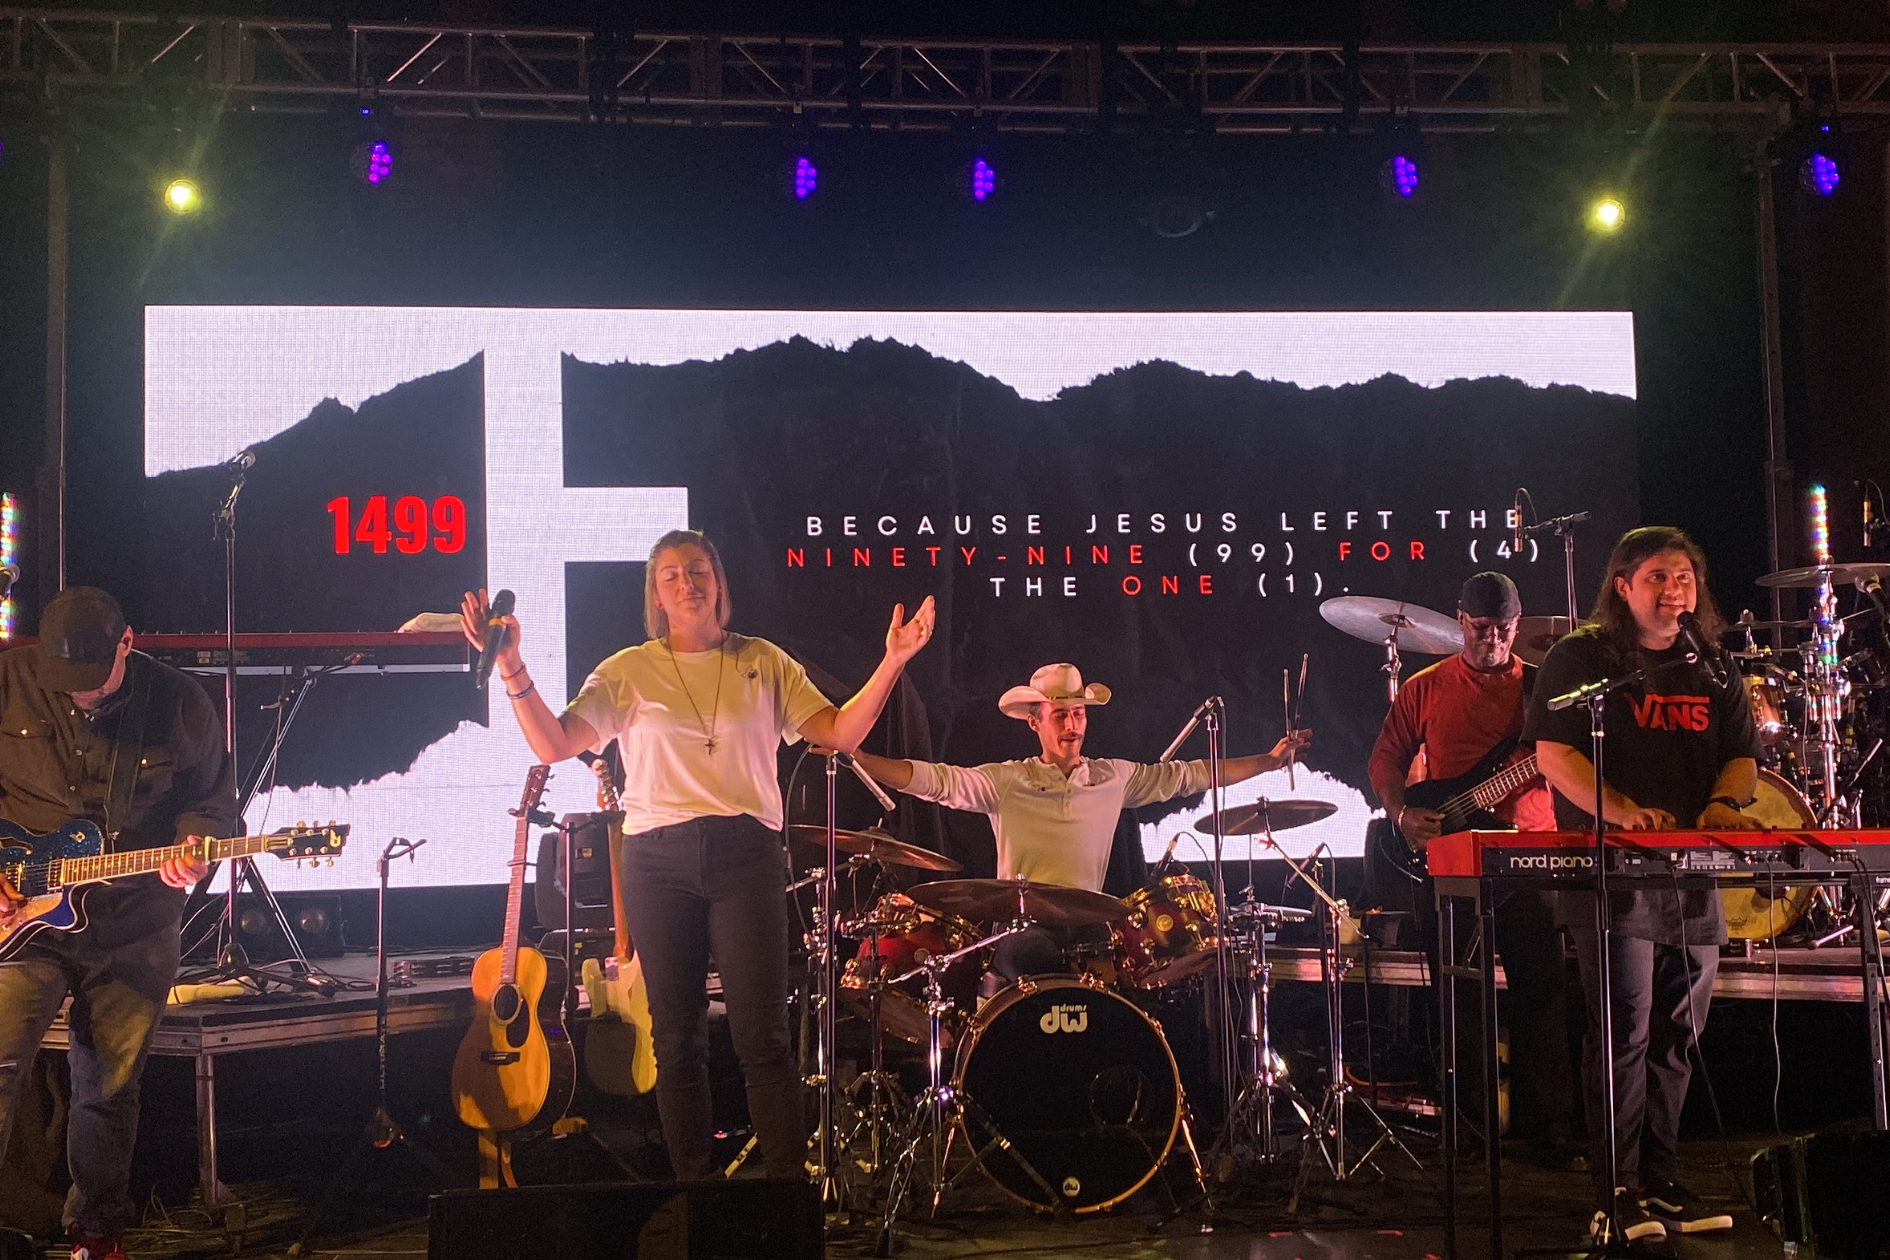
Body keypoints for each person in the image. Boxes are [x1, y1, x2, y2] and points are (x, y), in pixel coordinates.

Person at [462, 529, 933, 1181]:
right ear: (655, 596)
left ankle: (784, 1196)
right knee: (675, 1040)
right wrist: (512, 667)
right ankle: (694, 1193)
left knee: (763, 1038)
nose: (687, 582)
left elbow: (839, 733)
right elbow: (554, 744)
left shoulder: (763, 660)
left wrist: (893, 661)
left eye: (698, 570)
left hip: (746, 856)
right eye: (671, 575)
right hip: (657, 861)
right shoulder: (628, 670)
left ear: (719, 583)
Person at [1523, 527, 1759, 1244]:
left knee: (1680, 1031)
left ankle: (1660, 1178)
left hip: (1692, 873)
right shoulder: (1584, 659)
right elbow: (1553, 754)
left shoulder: (1710, 663)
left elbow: (1741, 755)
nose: (1675, 589)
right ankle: (1616, 1190)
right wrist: (1621, 810)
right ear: (1622, 587)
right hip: (1613, 873)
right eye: (1658, 576)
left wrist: (1725, 803)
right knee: (1624, 1027)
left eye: (1684, 576)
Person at [0, 588, 233, 1260]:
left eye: (93, 678)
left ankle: (97, 1235)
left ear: (127, 643)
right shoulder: (9, 681)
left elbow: (212, 806)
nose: (80, 693)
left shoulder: (181, 703)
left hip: (136, 919)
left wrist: (194, 850)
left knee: (109, 1086)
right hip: (26, 917)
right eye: (64, 679)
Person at [847, 662, 1309, 979]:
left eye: (1079, 714)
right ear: (1034, 722)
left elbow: (1192, 776)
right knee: (1032, 953)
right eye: (1060, 716)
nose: (1072, 725)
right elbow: (935, 781)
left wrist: (1268, 762)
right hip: (1023, 929)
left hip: (1090, 928)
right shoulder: (1007, 781)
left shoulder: (1114, 777)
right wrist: (861, 757)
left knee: (1125, 965)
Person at [1365, 572, 1577, 1170]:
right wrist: (1402, 814)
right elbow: (1384, 759)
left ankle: (1550, 1132)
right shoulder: (1426, 686)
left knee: (1542, 993)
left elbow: (1570, 758)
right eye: (1482, 628)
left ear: (1518, 623)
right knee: (1460, 997)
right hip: (1455, 859)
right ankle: (1470, 1131)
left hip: (1529, 857)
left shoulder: (1543, 688)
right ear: (1460, 621)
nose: (1493, 639)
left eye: (1504, 629)